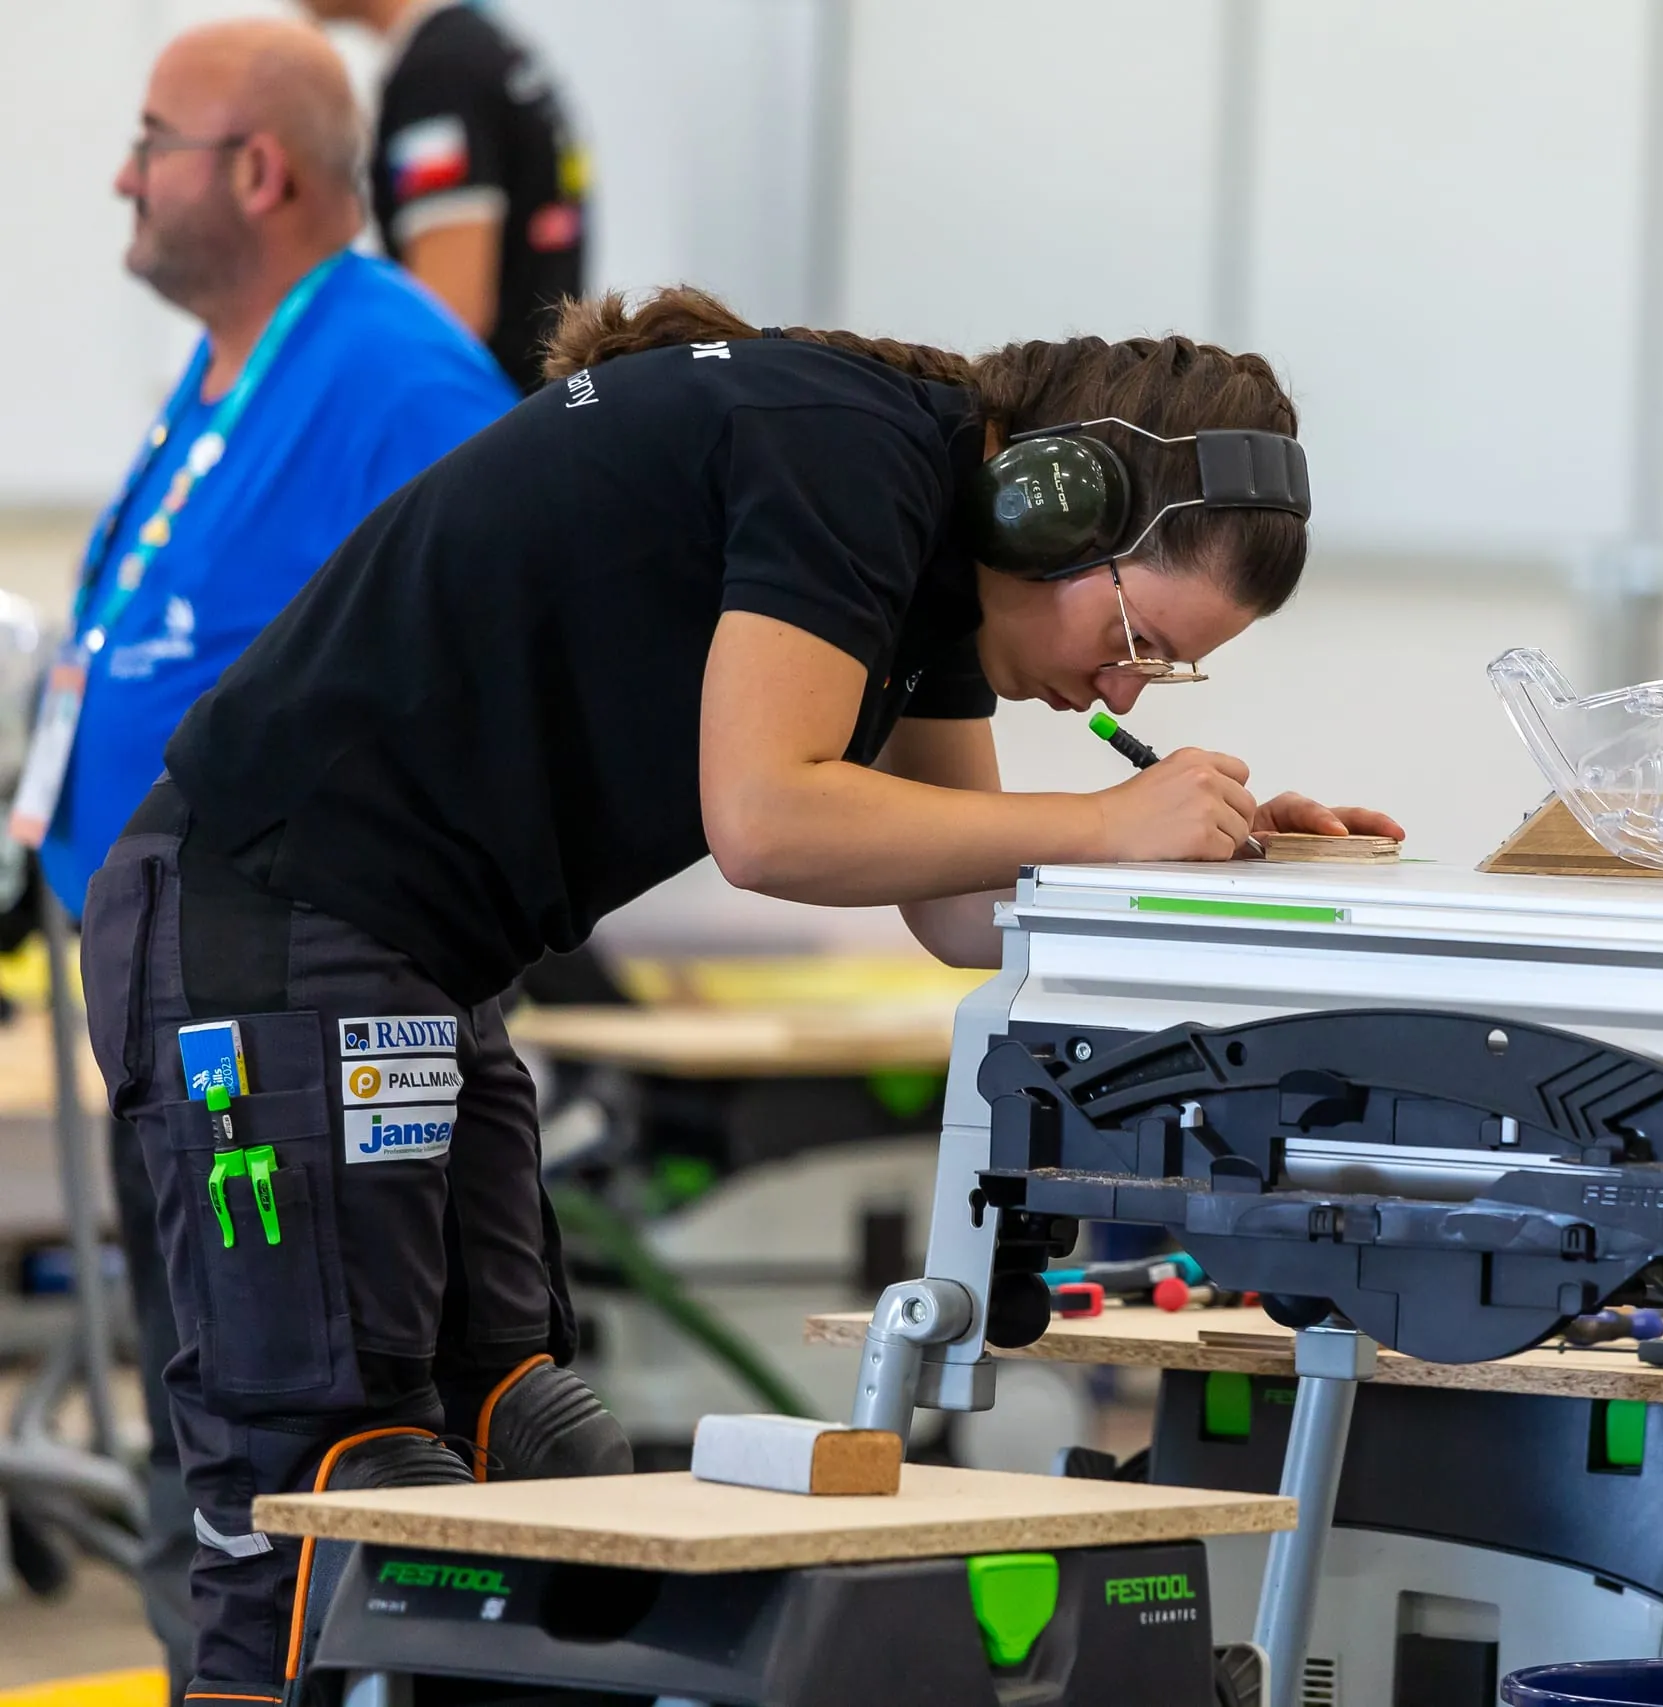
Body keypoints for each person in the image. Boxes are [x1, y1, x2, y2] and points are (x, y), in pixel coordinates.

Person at [80, 283, 1398, 1697]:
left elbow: (959, 906)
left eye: (1166, 674)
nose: (1122, 696)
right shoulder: (846, 453)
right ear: (1049, 503)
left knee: (524, 1445)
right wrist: (1105, 823)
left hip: (410, 961)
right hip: (265, 923)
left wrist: (1214, 878)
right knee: (331, 1482)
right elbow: (766, 818)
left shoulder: (933, 558)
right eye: (1137, 639)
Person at [13, 19, 514, 1693]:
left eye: (150, 141)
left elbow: (490, 675)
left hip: (295, 1014)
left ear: (257, 170)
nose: (120, 176)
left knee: (276, 1465)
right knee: (208, 1451)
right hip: (189, 999)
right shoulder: (240, 366)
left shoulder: (399, 377)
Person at [298, 0, 587, 391]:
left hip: (496, 408)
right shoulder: (481, 45)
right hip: (540, 398)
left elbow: (451, 313)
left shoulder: (437, 75)